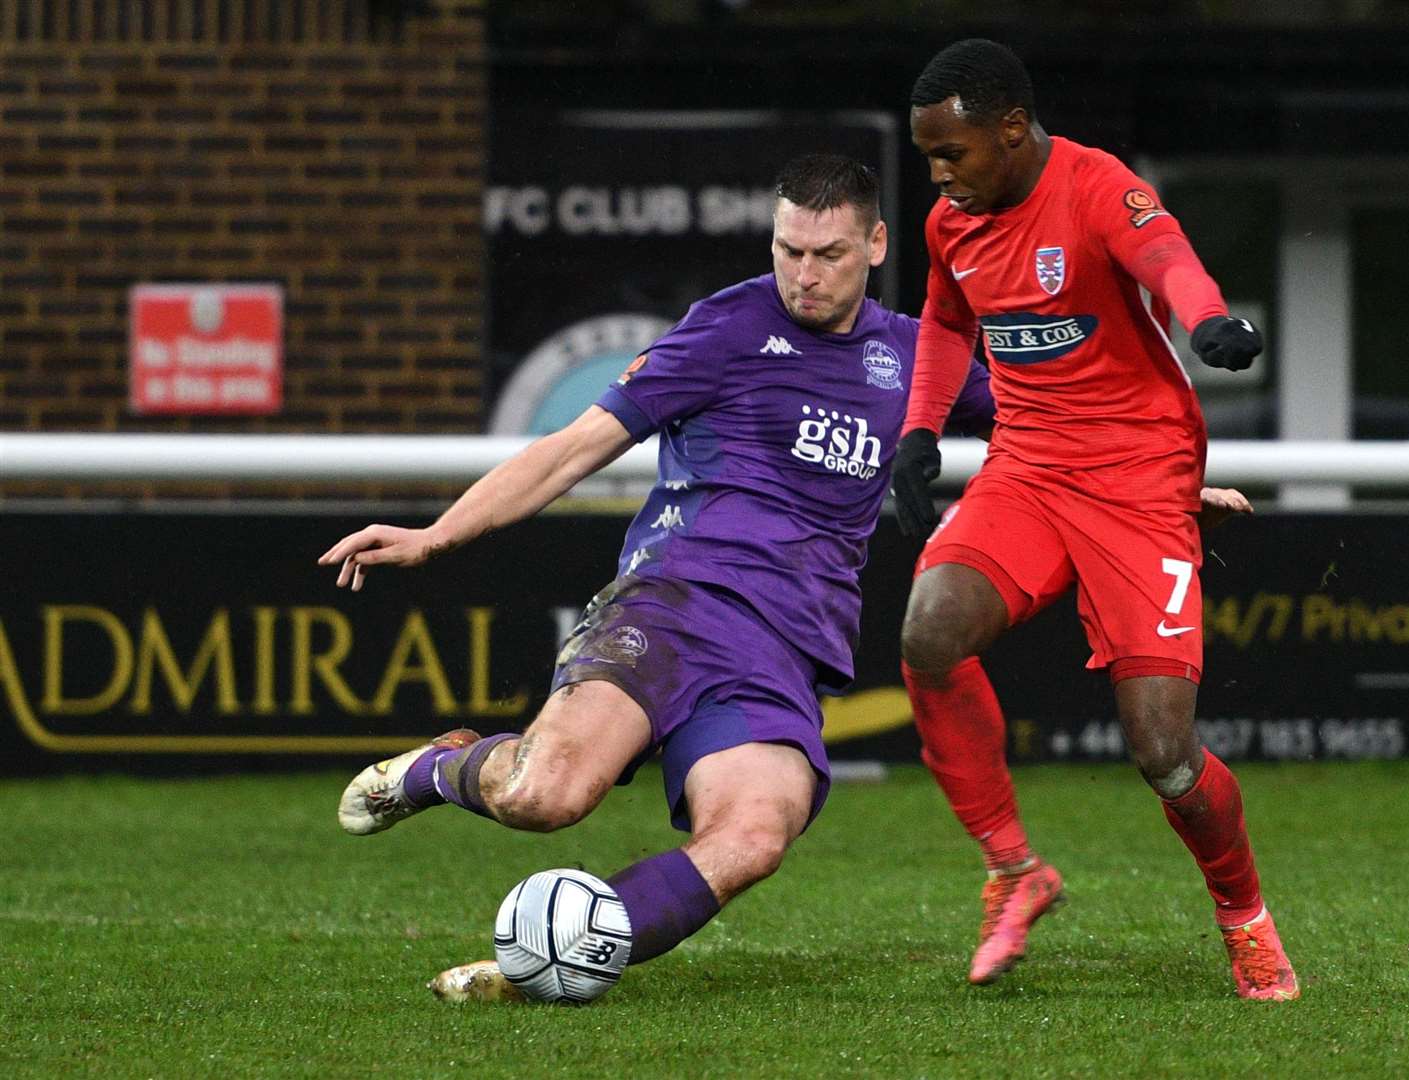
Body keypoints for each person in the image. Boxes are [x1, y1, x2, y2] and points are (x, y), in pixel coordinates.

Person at [318, 153, 995, 1000]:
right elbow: (575, 446)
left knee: (752, 836)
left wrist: (1158, 485)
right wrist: (437, 536)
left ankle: (549, 964)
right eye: (789, 250)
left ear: (877, 245)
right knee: (546, 797)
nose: (804, 275)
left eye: (828, 255)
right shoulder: (727, 328)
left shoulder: (915, 356)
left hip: (784, 650)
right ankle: (437, 769)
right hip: (675, 604)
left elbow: (1050, 430)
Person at [891, 38, 1299, 1001]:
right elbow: (949, 325)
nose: (941, 176)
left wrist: (1207, 320)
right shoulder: (954, 221)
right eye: (929, 160)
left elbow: (1167, 259)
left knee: (1162, 753)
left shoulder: (1095, 186)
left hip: (1139, 480)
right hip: (1027, 469)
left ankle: (1244, 918)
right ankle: (1011, 870)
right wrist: (920, 433)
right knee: (929, 631)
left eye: (953, 154)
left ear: (1013, 129)